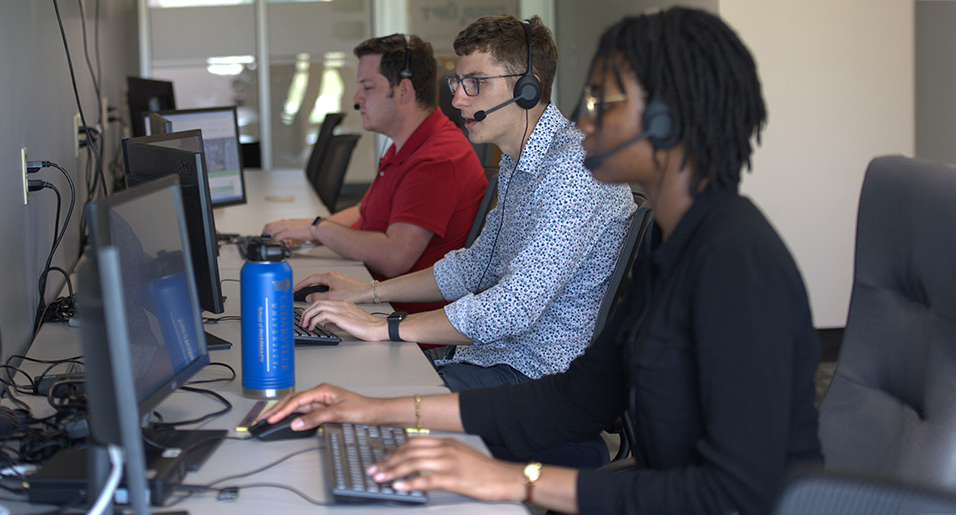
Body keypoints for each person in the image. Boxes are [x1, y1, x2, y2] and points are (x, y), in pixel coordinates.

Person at [258, 8, 823, 514]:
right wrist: (371, 410)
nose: (582, 116)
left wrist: (514, 481)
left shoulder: (738, 262)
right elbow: (576, 399)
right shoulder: (673, 252)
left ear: (669, 120)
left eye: (605, 100)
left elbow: (735, 495)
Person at [295, 16, 634, 394]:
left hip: (535, 380)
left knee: (364, 392)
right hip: (488, 358)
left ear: (527, 89)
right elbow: (472, 268)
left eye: (475, 83)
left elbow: (512, 308)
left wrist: (383, 327)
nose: (456, 98)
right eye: (458, 83)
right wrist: (365, 293)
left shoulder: (575, 169)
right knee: (345, 367)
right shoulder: (517, 163)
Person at [263, 34, 487, 315]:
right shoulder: (408, 145)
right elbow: (365, 211)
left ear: (404, 91)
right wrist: (308, 231)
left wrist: (318, 228)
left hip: (403, 323)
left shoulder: (438, 158)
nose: (357, 99)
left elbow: (395, 257)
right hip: (376, 302)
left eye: (367, 87)